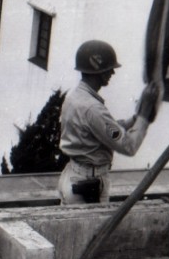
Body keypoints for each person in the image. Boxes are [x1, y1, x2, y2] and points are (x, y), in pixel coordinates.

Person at [57, 39, 159, 205]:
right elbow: (129, 146)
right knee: (94, 231)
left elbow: (103, 129)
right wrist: (144, 118)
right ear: (98, 70)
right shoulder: (93, 109)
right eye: (109, 68)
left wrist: (134, 120)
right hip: (88, 183)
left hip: (74, 176)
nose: (112, 72)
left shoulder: (75, 96)